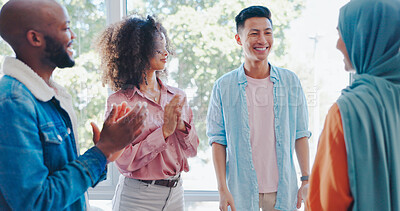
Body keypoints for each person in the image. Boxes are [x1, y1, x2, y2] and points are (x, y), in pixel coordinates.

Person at [0, 0, 148, 210]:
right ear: (35, 38)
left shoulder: (50, 95)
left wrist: (104, 152)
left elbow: (60, 178)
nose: (73, 36)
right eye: (66, 28)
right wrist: (102, 150)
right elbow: (35, 203)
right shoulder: (13, 103)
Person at [207, 5, 311, 211]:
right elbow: (218, 141)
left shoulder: (290, 82)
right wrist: (222, 189)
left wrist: (306, 179)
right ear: (239, 39)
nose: (262, 40)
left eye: (267, 33)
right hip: (240, 192)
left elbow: (301, 134)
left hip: (283, 191)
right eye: (254, 33)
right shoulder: (223, 86)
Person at [96, 15, 199, 211]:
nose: (166, 53)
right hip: (137, 198)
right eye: (159, 48)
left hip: (176, 194)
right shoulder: (120, 101)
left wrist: (181, 128)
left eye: (166, 47)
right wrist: (164, 132)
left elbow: (192, 150)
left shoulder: (177, 96)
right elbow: (124, 161)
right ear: (139, 52)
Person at [306, 0, 400, 210]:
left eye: (343, 34)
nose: (338, 44)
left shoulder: (348, 112)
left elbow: (327, 204)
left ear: (365, 37)